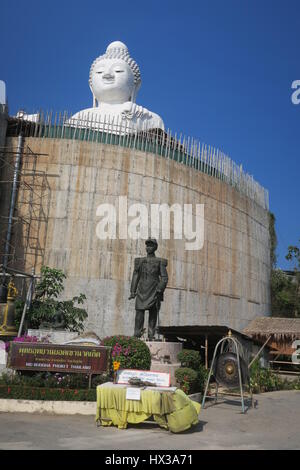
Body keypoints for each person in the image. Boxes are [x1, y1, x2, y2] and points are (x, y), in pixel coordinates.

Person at [70, 41, 164, 133]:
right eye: (100, 72)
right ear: (91, 86)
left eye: (118, 70)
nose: (107, 74)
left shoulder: (149, 118)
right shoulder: (78, 119)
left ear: (136, 85)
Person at [129, 238, 168, 340]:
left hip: (154, 290)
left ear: (155, 247)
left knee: (153, 313)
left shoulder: (159, 261)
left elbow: (164, 277)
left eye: (151, 246)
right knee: (139, 312)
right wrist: (132, 291)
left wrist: (160, 288)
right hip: (142, 290)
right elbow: (135, 275)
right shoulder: (140, 261)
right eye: (147, 246)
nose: (148, 248)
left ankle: (151, 335)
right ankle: (137, 334)